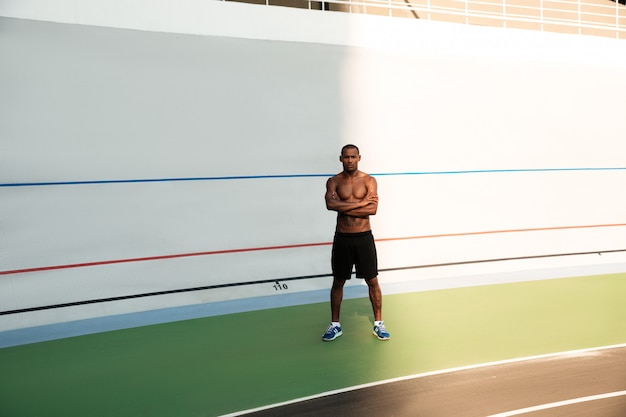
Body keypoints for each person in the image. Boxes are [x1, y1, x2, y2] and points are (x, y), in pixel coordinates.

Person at [322, 144, 390, 342]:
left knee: (372, 281)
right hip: (342, 238)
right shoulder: (333, 181)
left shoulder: (369, 180)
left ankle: (378, 323)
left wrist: (343, 207)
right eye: (346, 157)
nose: (350, 160)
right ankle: (335, 325)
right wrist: (362, 203)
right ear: (340, 158)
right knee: (338, 282)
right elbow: (330, 205)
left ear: (359, 157)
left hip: (363, 237)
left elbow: (373, 209)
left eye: (353, 157)